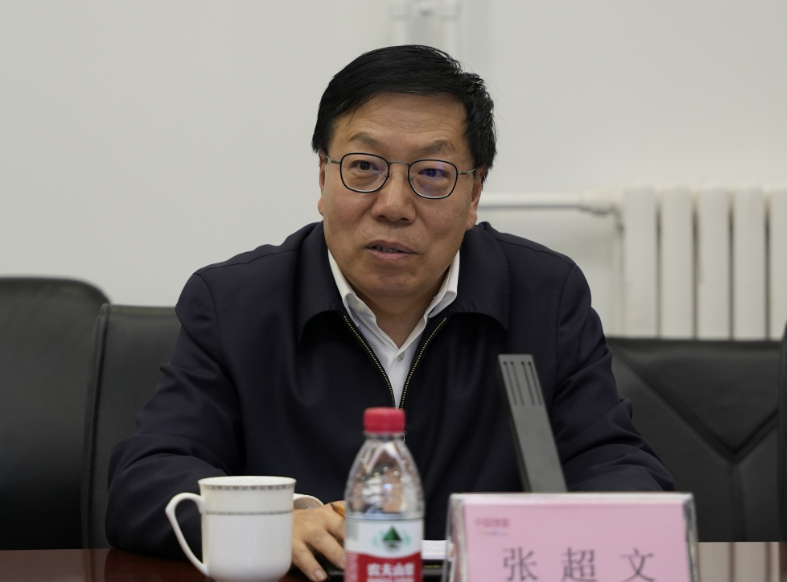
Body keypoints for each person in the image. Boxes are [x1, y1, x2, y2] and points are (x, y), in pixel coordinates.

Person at [106, 45, 673, 582]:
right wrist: (273, 522)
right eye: (364, 167)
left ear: (474, 195)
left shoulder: (542, 295)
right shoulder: (236, 303)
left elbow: (617, 465)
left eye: (432, 174)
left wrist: (571, 531)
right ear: (323, 177)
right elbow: (148, 481)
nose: (394, 205)